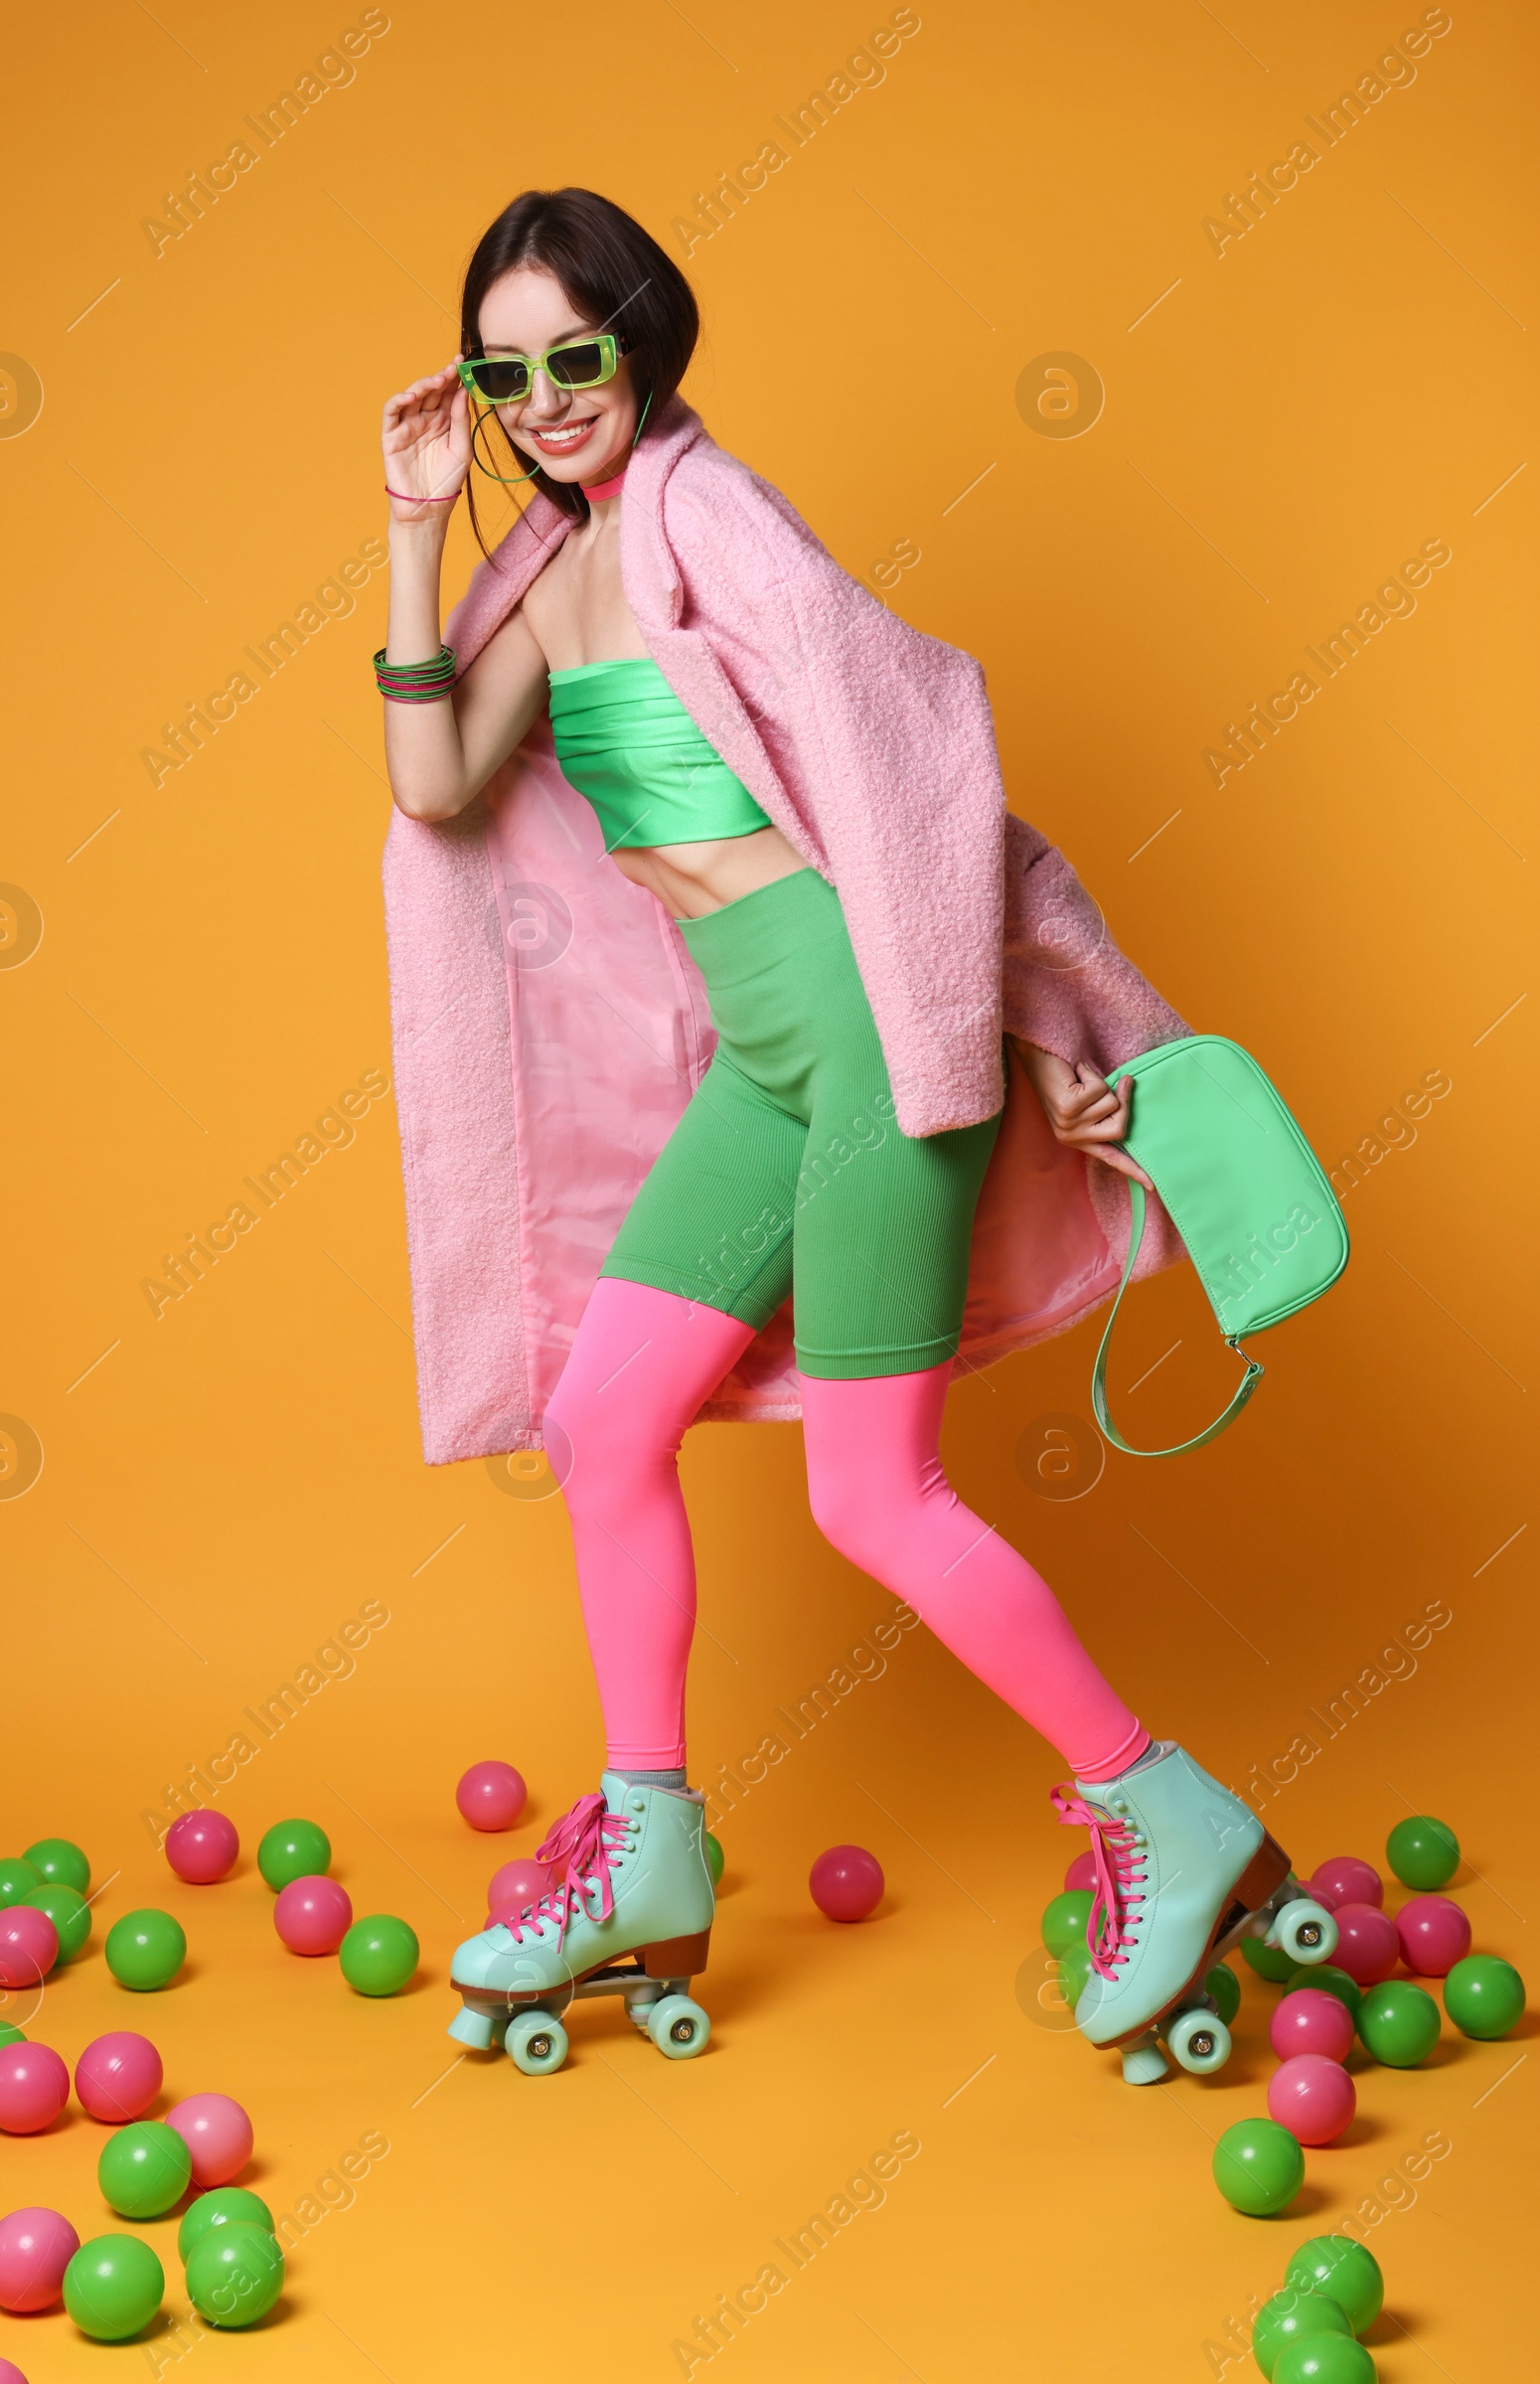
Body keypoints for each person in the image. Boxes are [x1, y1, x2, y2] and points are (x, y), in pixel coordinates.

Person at [377, 187, 1303, 2080]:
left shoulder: (707, 512)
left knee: (873, 1497)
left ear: (642, 343)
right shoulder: (557, 562)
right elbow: (432, 776)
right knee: (600, 1423)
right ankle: (646, 1841)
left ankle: (1166, 1808)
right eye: (509, 369)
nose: (548, 397)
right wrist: (409, 523)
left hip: (876, 1040)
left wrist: (1022, 1012)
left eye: (579, 355)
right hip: (767, 1056)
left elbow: (916, 737)